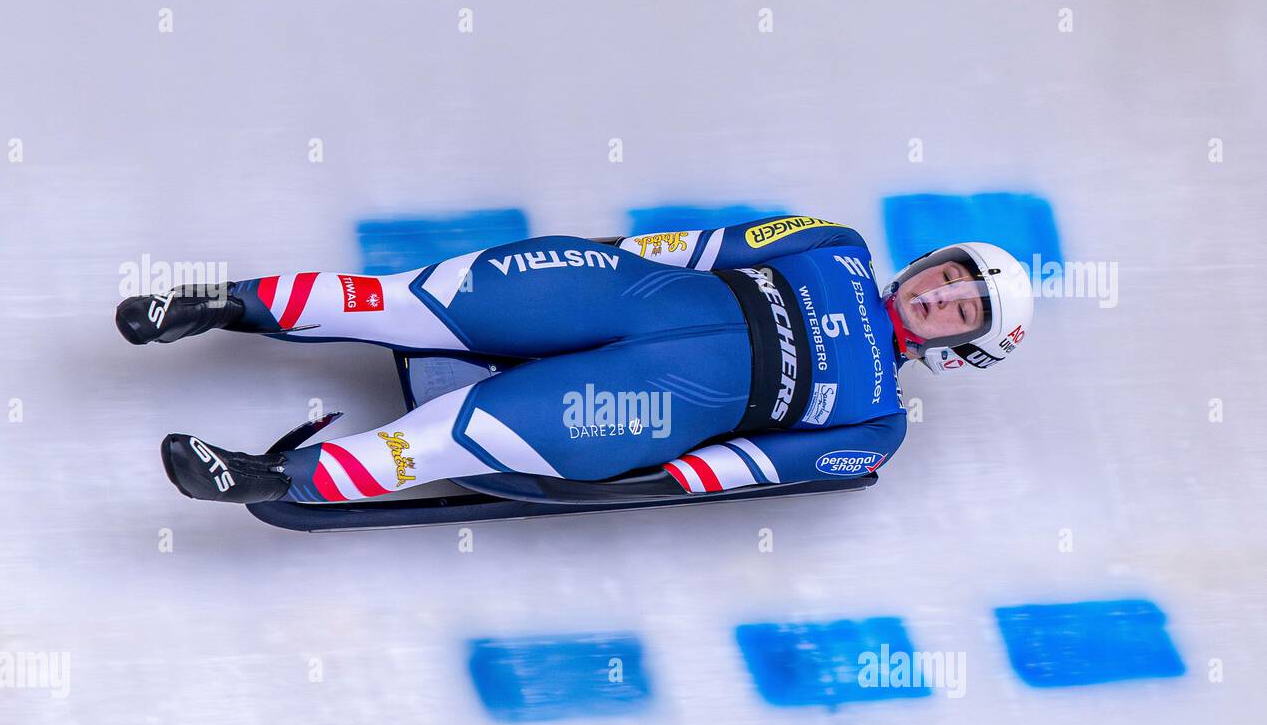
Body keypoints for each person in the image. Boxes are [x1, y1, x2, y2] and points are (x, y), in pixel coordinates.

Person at [115, 215, 1033, 504]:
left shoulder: (876, 428)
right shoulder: (832, 244)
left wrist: (624, 481)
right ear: (929, 263)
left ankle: (265, 477)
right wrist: (595, 263)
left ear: (962, 348)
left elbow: (732, 471)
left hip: (643, 405)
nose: (942, 295)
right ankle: (213, 304)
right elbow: (693, 248)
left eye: (963, 310)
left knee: (452, 436)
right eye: (951, 276)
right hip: (622, 293)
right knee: (404, 297)